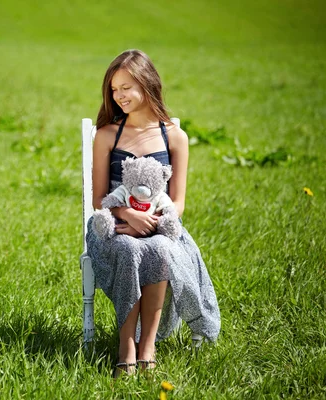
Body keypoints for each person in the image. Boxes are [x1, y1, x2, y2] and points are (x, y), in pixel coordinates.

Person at [86, 49, 221, 377]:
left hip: (160, 225)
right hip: (113, 224)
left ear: (147, 85)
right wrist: (128, 217)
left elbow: (179, 202)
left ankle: (147, 345)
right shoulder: (107, 135)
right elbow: (98, 199)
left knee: (160, 248)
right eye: (114, 89)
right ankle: (125, 346)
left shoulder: (175, 137)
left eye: (126, 88)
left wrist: (152, 224)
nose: (119, 96)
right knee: (130, 249)